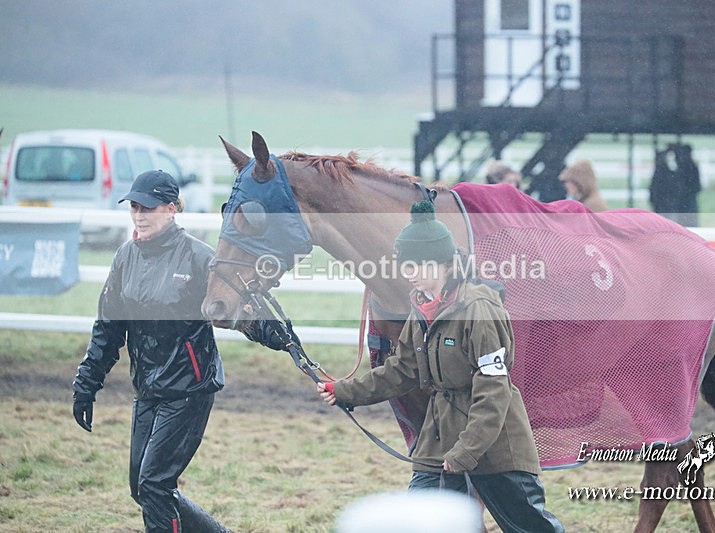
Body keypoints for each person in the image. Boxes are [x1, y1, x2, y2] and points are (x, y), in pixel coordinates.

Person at [317, 200, 563, 533]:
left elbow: (494, 390)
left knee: (530, 528)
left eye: (415, 265)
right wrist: (346, 391)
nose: (408, 273)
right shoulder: (420, 310)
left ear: (442, 263)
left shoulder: (478, 309)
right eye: (404, 265)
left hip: (495, 448)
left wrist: (466, 451)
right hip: (437, 443)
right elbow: (402, 369)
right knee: (419, 524)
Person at [71, 169, 282, 532]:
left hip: (189, 390)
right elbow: (108, 328)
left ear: (172, 209)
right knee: (143, 487)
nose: (139, 215)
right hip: (147, 390)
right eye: (134, 207)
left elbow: (236, 308)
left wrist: (276, 333)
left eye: (148, 208)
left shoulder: (199, 258)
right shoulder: (125, 257)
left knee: (154, 484)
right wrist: (85, 385)